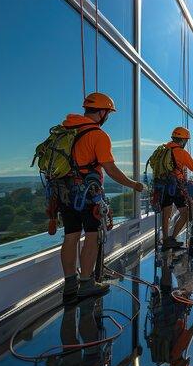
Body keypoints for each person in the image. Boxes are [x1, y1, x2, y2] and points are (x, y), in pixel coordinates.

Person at [57, 93, 144, 301]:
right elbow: (111, 169)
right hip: (87, 194)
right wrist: (134, 185)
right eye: (108, 114)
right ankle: (86, 282)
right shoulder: (98, 135)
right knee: (93, 236)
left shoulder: (68, 130)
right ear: (103, 112)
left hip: (65, 192)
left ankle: (70, 284)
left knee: (71, 236)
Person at [149, 127, 193, 249]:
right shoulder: (180, 152)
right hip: (174, 186)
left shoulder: (164, 149)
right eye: (186, 140)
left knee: (166, 213)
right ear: (183, 140)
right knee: (185, 213)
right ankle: (172, 238)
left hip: (161, 185)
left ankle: (165, 239)